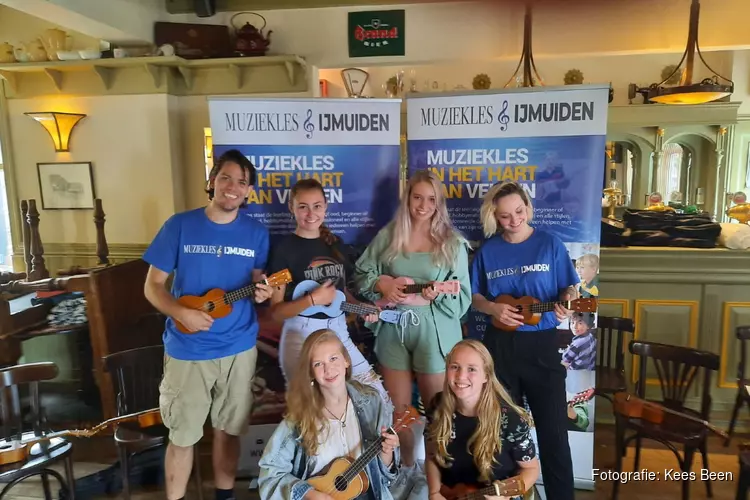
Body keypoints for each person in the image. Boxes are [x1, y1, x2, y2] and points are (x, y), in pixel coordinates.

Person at [143, 149, 273, 500]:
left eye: (242, 182)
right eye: (226, 177)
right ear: (212, 181)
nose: (233, 187)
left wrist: (263, 294)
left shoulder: (257, 234)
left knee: (229, 433)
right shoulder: (179, 225)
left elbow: (258, 284)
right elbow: (152, 286)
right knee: (183, 436)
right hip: (188, 350)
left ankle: (224, 496)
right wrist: (181, 313)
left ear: (248, 192)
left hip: (239, 348)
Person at [354, 169, 472, 494]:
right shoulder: (390, 233)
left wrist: (436, 296)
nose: (423, 205)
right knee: (400, 410)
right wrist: (384, 283)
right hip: (394, 329)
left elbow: (462, 298)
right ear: (408, 198)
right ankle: (406, 470)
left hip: (434, 331)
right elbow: (363, 271)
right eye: (417, 197)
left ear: (439, 203)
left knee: (438, 412)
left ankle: (438, 483)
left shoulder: (451, 242)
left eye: (431, 199)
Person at [469, 181, 579, 500]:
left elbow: (570, 289)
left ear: (528, 208)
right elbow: (474, 297)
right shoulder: (489, 250)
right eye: (505, 216)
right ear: (495, 217)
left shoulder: (550, 244)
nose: (514, 220)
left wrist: (567, 301)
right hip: (499, 348)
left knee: (554, 434)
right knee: (505, 435)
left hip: (543, 346)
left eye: (519, 211)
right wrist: (492, 308)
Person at [267, 178, 387, 400]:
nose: (310, 213)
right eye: (303, 206)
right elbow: (276, 313)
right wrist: (312, 300)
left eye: (317, 206)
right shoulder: (283, 250)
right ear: (291, 208)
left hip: (338, 331)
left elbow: (342, 296)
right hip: (300, 335)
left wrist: (362, 308)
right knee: (312, 409)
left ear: (326, 207)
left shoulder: (335, 245)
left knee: (375, 395)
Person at [258, 328, 400, 500]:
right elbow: (270, 475)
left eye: (333, 358)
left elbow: (385, 477)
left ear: (346, 361)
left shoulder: (372, 402)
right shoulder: (299, 417)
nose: (328, 369)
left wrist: (387, 454)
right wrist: (310, 494)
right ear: (310, 372)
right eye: (318, 364)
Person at [425, 340, 540, 499]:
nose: (461, 376)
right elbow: (431, 455)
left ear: (486, 376)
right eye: (455, 367)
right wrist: (434, 492)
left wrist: (504, 497)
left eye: (471, 369)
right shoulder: (437, 406)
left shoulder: (511, 419)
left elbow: (531, 469)